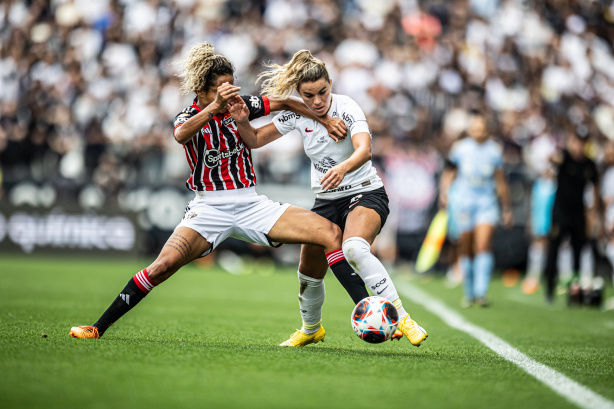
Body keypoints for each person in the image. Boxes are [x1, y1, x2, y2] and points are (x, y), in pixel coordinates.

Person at [69, 42, 359, 345]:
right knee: (161, 267)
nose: (230, 92)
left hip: (250, 203)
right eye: (222, 88)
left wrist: (324, 119)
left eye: (231, 85)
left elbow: (286, 103)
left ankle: (357, 310)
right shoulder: (189, 116)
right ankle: (97, 327)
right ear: (203, 90)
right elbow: (180, 135)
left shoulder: (243, 105)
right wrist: (214, 107)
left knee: (328, 232)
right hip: (208, 209)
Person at [228, 50, 428, 347]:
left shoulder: (347, 107)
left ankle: (402, 317)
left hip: (364, 192)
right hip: (326, 201)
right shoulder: (298, 114)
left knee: (354, 248)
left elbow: (365, 150)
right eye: (309, 95)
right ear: (299, 93)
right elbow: (255, 140)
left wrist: (343, 168)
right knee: (308, 271)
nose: (318, 100)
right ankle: (311, 329)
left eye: (323, 91)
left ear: (330, 83)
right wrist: (243, 121)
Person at [440, 112, 513, 307]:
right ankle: (469, 292)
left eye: (481, 128)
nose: (478, 131)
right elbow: (449, 172)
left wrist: (506, 207)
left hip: (486, 203)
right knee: (466, 246)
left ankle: (481, 293)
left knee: (482, 245)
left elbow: (500, 180)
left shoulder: (495, 150)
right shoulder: (460, 149)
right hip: (464, 202)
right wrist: (445, 193)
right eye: (475, 127)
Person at [544, 131, 600, 305]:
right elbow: (552, 159)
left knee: (578, 253)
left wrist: (593, 214)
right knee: (553, 251)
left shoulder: (589, 165)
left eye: (583, 142)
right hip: (560, 213)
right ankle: (550, 290)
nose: (579, 146)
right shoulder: (565, 158)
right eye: (577, 142)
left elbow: (595, 189)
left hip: (578, 215)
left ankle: (574, 291)